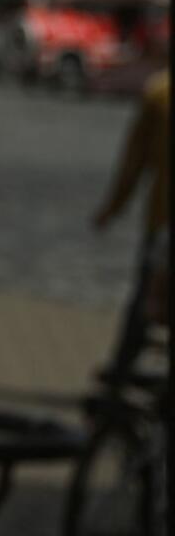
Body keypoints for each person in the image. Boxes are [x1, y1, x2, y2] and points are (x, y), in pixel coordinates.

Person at [91, 61, 170, 382]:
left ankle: (121, 372)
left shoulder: (161, 93)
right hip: (163, 223)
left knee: (145, 302)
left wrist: (113, 207)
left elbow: (134, 161)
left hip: (164, 222)